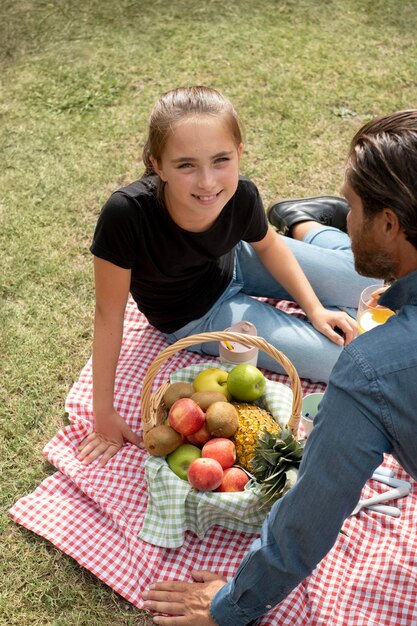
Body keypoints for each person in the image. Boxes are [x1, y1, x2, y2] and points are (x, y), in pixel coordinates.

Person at [142, 109, 417, 625]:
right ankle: (311, 223)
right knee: (355, 273)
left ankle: (309, 224)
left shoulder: (369, 372)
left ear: (387, 222)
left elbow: (309, 516)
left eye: (352, 209)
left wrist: (232, 606)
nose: (351, 219)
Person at [77, 85, 375, 467]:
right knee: (342, 360)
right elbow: (108, 313)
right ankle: (311, 227)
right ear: (157, 164)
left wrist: (315, 309)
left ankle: (302, 222)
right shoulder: (126, 216)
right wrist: (103, 412)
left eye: (221, 160)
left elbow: (267, 246)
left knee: (377, 282)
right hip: (198, 313)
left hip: (240, 257)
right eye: (186, 165)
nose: (207, 182)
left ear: (239, 153)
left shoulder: (241, 194)